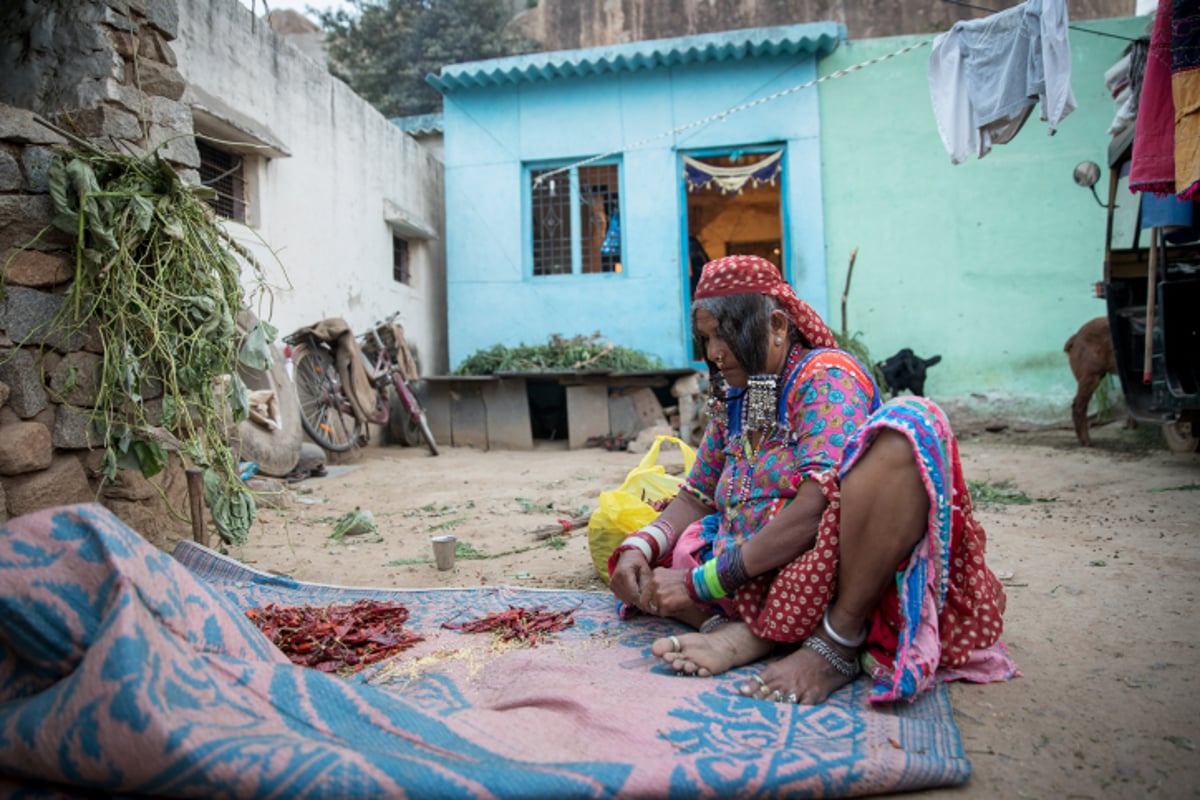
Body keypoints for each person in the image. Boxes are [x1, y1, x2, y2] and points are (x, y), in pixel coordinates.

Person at [608, 254, 1016, 706]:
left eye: (723, 334)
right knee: (677, 550)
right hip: (758, 565)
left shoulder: (826, 378)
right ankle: (753, 633)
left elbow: (815, 512)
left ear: (778, 326)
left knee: (910, 428)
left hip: (832, 564)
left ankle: (836, 640)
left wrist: (699, 585)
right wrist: (640, 547)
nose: (713, 354)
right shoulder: (752, 391)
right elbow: (700, 493)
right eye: (706, 339)